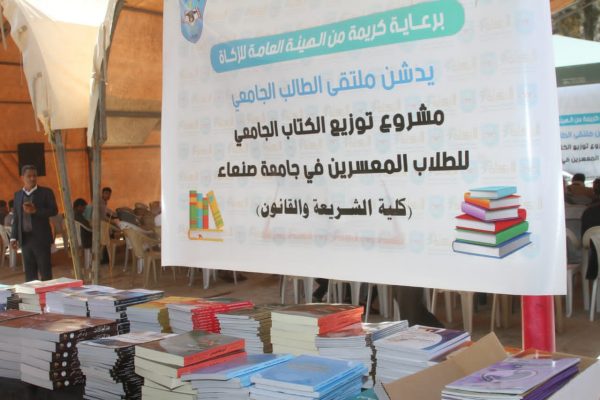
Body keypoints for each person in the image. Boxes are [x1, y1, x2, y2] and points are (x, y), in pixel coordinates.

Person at [10, 165, 58, 281]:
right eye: (29, 176)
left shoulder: (46, 192)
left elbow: (54, 210)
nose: (32, 178)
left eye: (34, 176)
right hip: (25, 239)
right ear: (22, 177)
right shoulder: (18, 195)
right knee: (30, 274)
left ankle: (47, 292)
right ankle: (32, 293)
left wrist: (36, 211)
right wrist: (13, 237)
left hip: (41, 238)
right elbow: (16, 218)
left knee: (45, 273)